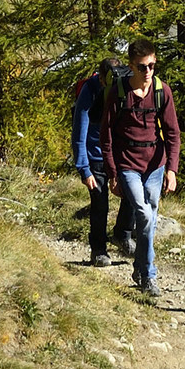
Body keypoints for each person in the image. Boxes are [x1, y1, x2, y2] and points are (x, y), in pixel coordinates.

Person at [101, 35, 180, 301]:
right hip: (128, 164)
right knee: (145, 213)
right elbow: (106, 135)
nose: (148, 71)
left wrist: (171, 169)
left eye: (152, 66)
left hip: (155, 165)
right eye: (142, 67)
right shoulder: (118, 93)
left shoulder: (161, 91)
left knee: (150, 216)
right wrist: (113, 173)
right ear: (131, 66)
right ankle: (149, 274)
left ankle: (141, 270)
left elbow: (172, 133)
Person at [71, 55, 134, 266]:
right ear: (100, 78)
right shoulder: (90, 90)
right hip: (95, 156)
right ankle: (98, 250)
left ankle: (123, 234)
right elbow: (79, 130)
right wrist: (84, 169)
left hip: (118, 155)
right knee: (100, 203)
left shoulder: (124, 86)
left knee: (132, 192)